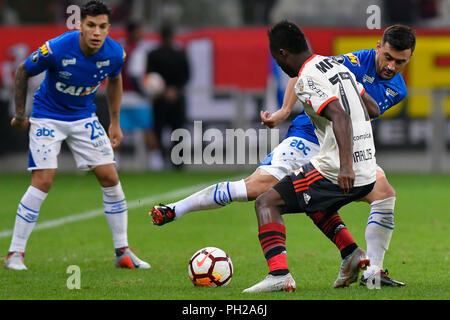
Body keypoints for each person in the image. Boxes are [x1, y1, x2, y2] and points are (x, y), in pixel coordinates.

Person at [151, 24, 414, 287]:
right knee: (256, 189)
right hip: (309, 137)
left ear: (409, 58)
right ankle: (177, 208)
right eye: (388, 57)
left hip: (339, 145)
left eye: (400, 62)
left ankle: (372, 272)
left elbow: (359, 112)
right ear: (379, 46)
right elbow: (301, 73)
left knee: (383, 194)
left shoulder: (398, 89)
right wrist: (284, 110)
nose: (391, 66)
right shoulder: (353, 61)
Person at [4, 0, 150, 270]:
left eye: (102, 26)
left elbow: (115, 79)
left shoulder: (115, 53)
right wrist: (21, 114)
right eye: (91, 25)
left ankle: (123, 252)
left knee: (110, 176)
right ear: (81, 25)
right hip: (48, 115)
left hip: (83, 117)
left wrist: (115, 122)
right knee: (44, 180)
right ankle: (15, 253)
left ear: (108, 28)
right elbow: (24, 70)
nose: (96, 32)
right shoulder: (58, 48)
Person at [243, 20, 380, 293]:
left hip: (340, 170)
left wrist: (344, 167)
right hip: (369, 169)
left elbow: (339, 115)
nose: (279, 66)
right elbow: (373, 108)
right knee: (311, 198)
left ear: (283, 54)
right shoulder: (338, 66)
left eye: (275, 58)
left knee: (267, 202)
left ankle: (279, 275)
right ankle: (352, 253)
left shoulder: (306, 79)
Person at [146, 22, 190, 169]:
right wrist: (175, 89)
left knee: (158, 130)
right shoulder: (180, 54)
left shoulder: (153, 54)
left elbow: (149, 76)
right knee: (178, 130)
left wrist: (163, 90)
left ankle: (159, 161)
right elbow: (187, 75)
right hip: (176, 98)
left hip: (159, 98)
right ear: (172, 37)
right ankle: (178, 162)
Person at [119, 21, 163, 171]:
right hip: (136, 97)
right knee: (147, 128)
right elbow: (135, 75)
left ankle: (113, 162)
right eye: (139, 31)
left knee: (119, 130)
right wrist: (145, 92)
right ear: (133, 32)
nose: (142, 34)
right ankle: (156, 163)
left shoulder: (121, 47)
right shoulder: (138, 50)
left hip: (122, 95)